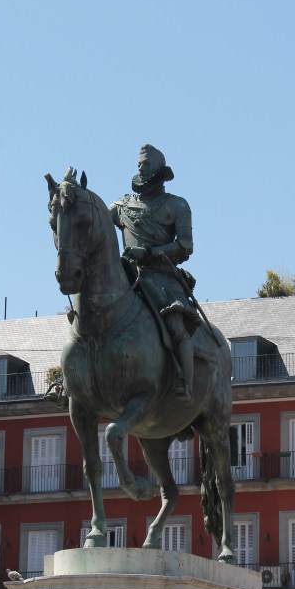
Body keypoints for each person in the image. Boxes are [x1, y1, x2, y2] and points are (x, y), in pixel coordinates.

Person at [109, 144, 199, 401]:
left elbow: (185, 246)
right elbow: (98, 226)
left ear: (159, 170)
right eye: (139, 163)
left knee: (176, 325)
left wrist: (148, 253)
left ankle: (185, 384)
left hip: (161, 276)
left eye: (146, 163)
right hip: (126, 274)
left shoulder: (177, 205)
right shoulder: (120, 205)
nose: (140, 167)